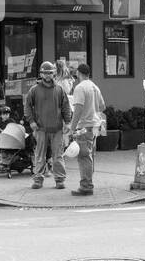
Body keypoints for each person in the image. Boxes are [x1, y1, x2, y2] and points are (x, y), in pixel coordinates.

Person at [24, 61, 72, 189]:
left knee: (58, 156)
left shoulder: (59, 89)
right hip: (40, 128)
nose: (47, 76)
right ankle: (38, 180)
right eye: (45, 73)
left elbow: (66, 107)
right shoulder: (34, 90)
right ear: (40, 74)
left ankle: (60, 180)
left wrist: (68, 122)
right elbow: (27, 106)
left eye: (50, 73)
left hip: (57, 129)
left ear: (54, 73)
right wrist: (31, 121)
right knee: (40, 155)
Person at [66, 63, 105, 196]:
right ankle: (88, 182)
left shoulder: (80, 87)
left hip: (84, 126)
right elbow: (102, 106)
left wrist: (72, 128)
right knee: (89, 156)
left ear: (78, 73)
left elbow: (78, 109)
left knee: (84, 157)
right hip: (95, 126)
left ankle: (86, 186)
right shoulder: (95, 87)